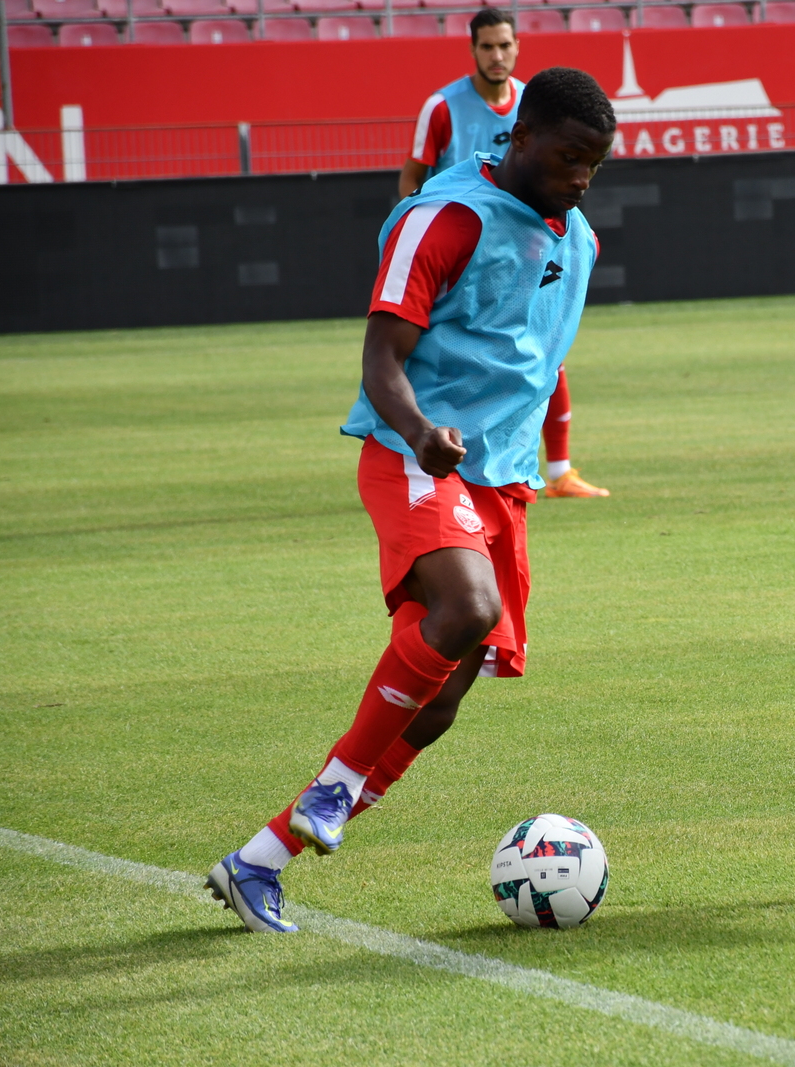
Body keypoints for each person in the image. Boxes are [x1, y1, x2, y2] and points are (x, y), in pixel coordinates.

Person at [207, 68, 617, 932]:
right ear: (524, 133)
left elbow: (532, 359)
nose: (582, 179)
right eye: (571, 157)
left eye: (597, 166)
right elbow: (380, 362)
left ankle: (261, 859)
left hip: (501, 482)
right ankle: (335, 788)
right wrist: (425, 429)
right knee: (465, 609)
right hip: (416, 454)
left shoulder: (574, 237)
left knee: (438, 705)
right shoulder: (447, 218)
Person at [400, 7, 610, 500]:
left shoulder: (535, 106)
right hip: (458, 247)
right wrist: (419, 234)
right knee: (447, 350)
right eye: (487, 47)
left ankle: (557, 470)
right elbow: (414, 175)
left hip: (523, 249)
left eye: (506, 46)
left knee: (544, 356)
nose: (498, 56)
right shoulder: (443, 107)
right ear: (473, 50)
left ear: (518, 48)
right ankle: (425, 450)